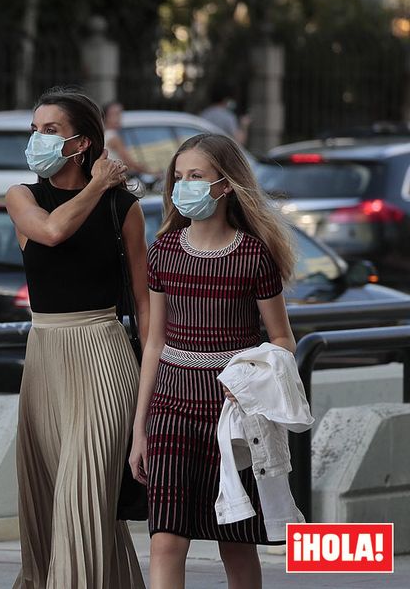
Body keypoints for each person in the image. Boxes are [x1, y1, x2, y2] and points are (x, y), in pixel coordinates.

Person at [130, 133, 297, 589]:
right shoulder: (163, 251)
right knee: (165, 539)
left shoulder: (253, 255)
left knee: (236, 541)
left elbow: (282, 339)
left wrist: (249, 375)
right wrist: (139, 428)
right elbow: (154, 342)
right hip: (171, 409)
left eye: (196, 177)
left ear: (224, 186)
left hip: (234, 416)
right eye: (178, 177)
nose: (183, 186)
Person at [5, 86, 148, 589]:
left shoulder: (123, 209)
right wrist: (96, 186)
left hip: (103, 355)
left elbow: (145, 301)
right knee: (48, 502)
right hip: (44, 357)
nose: (37, 139)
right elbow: (50, 233)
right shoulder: (23, 197)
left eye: (50, 130)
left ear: (80, 143)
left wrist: (152, 386)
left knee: (82, 497)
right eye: (34, 130)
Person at [103, 101, 151, 175]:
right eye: (115, 114)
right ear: (106, 117)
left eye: (120, 113)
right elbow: (129, 162)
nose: (119, 117)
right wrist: (150, 172)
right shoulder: (113, 137)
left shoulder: (104, 134)